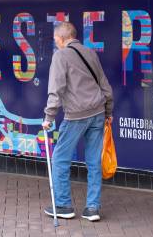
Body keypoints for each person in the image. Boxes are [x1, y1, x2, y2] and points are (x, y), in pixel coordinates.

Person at [42, 21, 113, 222]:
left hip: (76, 116)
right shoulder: (90, 53)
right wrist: (108, 112)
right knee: (93, 161)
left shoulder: (60, 56)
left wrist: (49, 118)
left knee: (60, 159)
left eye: (56, 41)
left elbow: (55, 89)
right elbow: (105, 86)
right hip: (98, 113)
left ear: (63, 39)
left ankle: (63, 205)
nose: (56, 44)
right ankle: (93, 208)